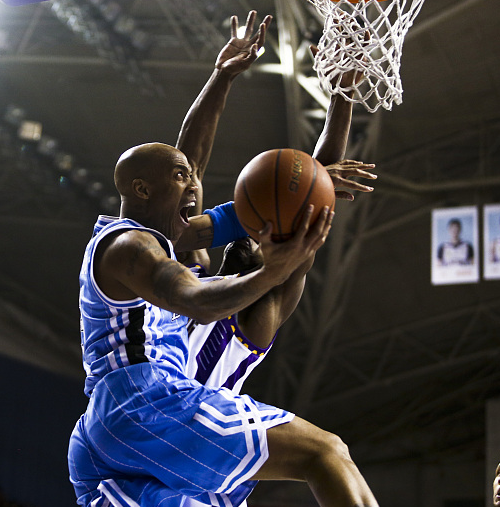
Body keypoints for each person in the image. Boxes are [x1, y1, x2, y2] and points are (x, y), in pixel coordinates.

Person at [68, 11, 379, 507]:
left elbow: (298, 198)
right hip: (146, 410)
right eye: (180, 181)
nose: (194, 185)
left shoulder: (247, 305)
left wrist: (339, 94)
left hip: (150, 446)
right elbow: (193, 289)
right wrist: (222, 79)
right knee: (324, 452)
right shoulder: (140, 249)